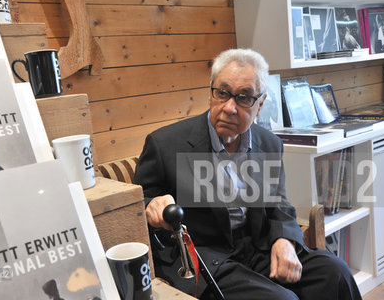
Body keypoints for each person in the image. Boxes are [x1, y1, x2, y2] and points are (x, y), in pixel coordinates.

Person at [133, 48, 361, 300]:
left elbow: (279, 202)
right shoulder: (166, 144)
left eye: (244, 97)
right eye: (222, 93)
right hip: (204, 257)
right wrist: (150, 207)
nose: (230, 107)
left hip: (257, 248)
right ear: (211, 92)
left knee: (336, 273)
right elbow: (136, 208)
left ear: (260, 104)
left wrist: (285, 240)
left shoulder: (269, 143)